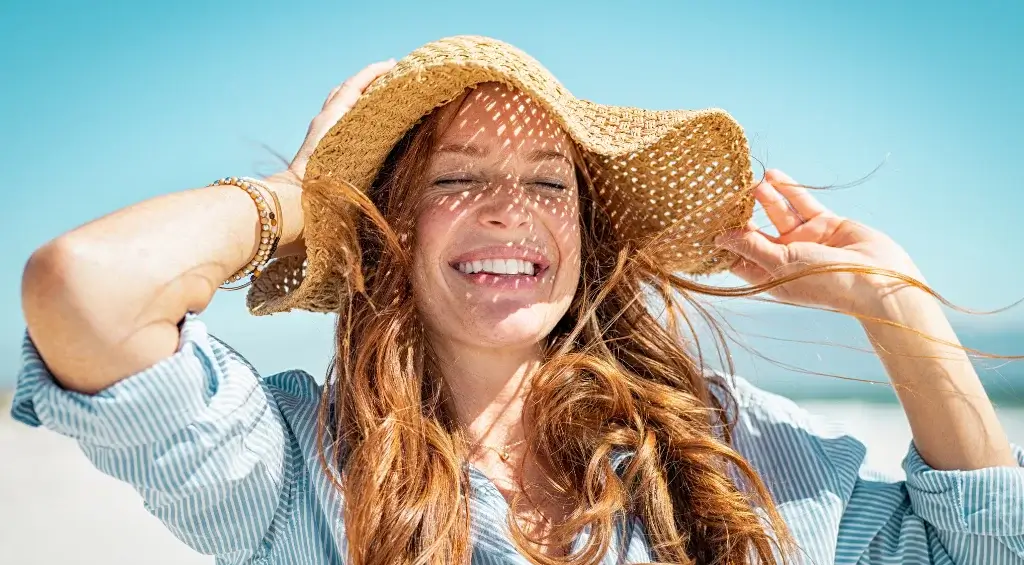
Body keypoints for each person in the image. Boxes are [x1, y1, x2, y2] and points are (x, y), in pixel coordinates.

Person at [11, 36, 1023, 565]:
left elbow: (975, 544)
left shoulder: (719, 448)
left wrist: (895, 304)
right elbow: (86, 291)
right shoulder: (296, 469)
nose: (509, 212)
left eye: (549, 182)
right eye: (455, 180)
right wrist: (299, 197)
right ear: (394, 227)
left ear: (583, 234)